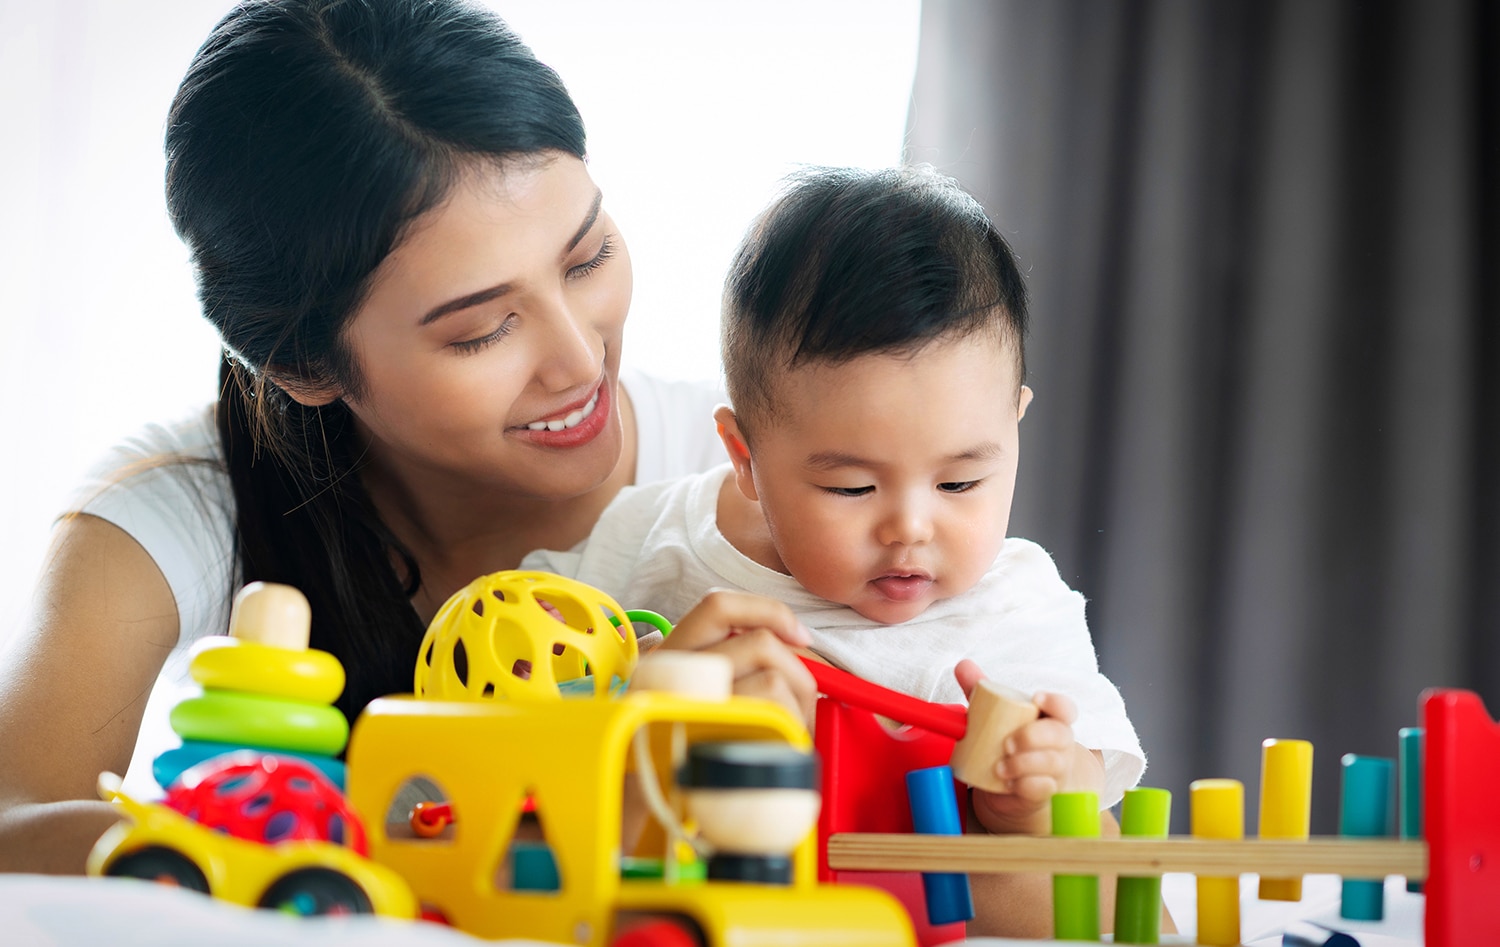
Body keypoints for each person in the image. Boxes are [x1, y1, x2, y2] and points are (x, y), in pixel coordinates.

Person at [0, 0, 817, 876]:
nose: (582, 360)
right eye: (480, 330)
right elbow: (14, 825)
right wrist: (281, 844)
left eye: (585, 260)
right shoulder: (183, 507)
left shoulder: (771, 476)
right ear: (303, 366)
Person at [523, 164, 1150, 937]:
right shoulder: (654, 542)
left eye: (961, 481)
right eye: (853, 489)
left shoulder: (1016, 606)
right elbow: (514, 670)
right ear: (744, 456)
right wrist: (633, 709)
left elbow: (1110, 874)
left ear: (1014, 426)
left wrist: (1041, 791)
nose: (910, 528)